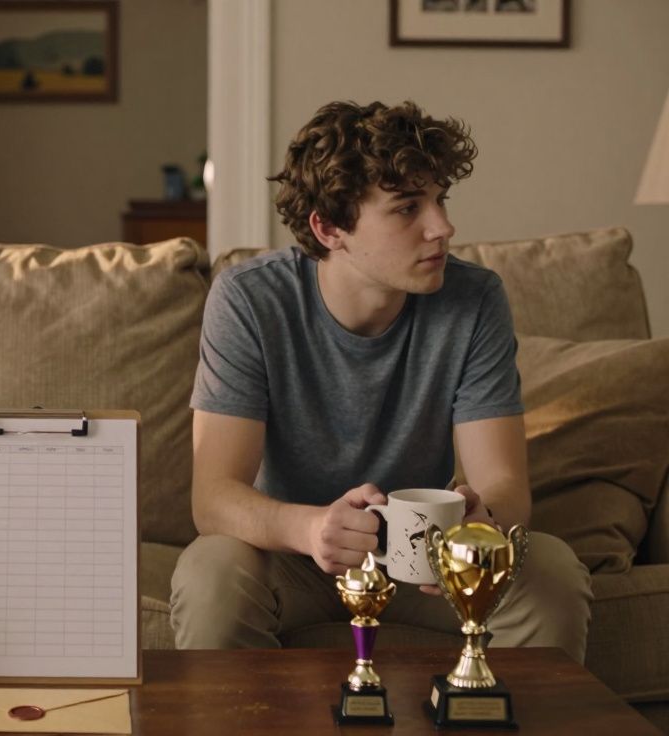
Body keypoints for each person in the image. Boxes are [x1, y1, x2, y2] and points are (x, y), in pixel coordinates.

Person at [169, 100, 592, 662]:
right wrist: (315, 528)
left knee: (552, 570)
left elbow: (506, 486)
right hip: (291, 555)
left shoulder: (475, 299)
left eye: (439, 200)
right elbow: (214, 499)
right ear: (329, 227)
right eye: (407, 208)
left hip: (424, 561)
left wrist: (482, 521)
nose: (443, 226)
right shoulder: (249, 298)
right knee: (210, 571)